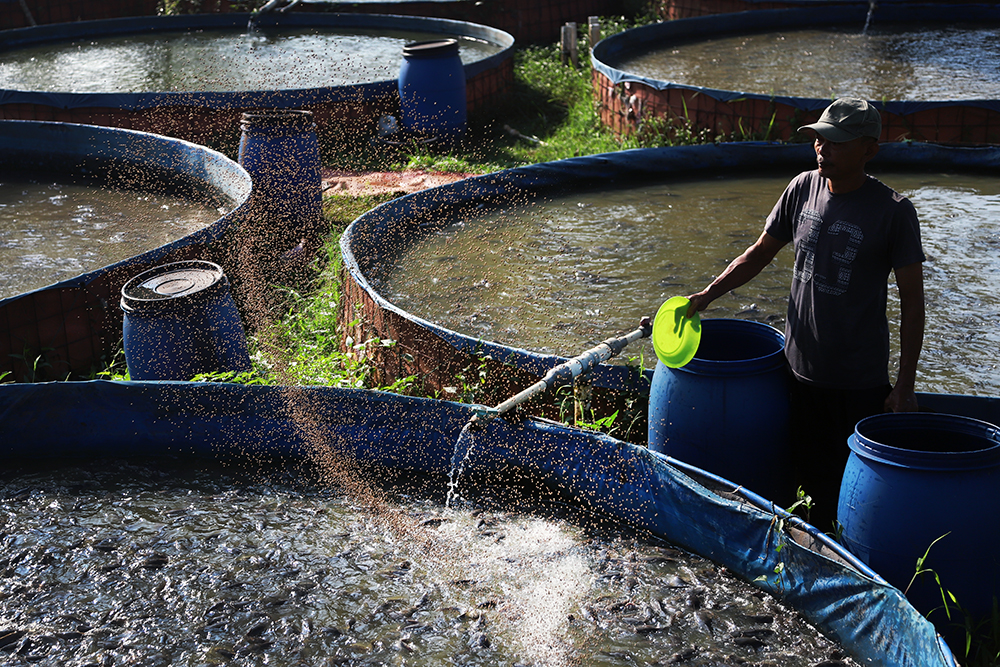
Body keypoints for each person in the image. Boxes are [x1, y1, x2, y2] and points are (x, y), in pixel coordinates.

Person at [685, 97, 926, 530]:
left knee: (845, 494)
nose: (822, 149)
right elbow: (759, 253)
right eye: (818, 139)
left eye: (835, 142)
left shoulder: (893, 212)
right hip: (794, 372)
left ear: (869, 149)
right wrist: (707, 294)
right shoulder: (802, 188)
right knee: (799, 480)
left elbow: (912, 301)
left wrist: (904, 385)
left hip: (857, 381)